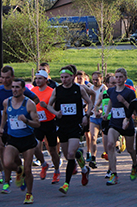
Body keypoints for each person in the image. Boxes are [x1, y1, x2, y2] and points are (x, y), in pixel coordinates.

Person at [44, 65, 93, 195]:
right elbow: (49, 106)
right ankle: (84, 169)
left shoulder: (79, 89)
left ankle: (66, 184)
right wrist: (56, 112)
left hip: (75, 125)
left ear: (72, 77)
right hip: (62, 125)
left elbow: (90, 102)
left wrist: (86, 116)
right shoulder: (57, 90)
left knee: (70, 154)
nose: (64, 80)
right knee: (68, 155)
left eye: (66, 77)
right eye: (61, 77)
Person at [0, 79, 40, 204]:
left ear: (23, 89)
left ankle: (29, 194)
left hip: (27, 140)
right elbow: (4, 115)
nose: (14, 89)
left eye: (17, 87)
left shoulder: (29, 104)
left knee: (28, 169)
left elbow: (37, 124)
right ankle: (18, 170)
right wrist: (1, 128)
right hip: (13, 138)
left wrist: (26, 121)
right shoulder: (7, 102)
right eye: (13, 87)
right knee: (7, 163)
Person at [103, 68, 137, 185]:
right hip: (114, 123)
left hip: (127, 123)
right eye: (116, 77)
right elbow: (111, 102)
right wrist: (107, 113)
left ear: (125, 79)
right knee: (110, 145)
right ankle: (114, 173)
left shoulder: (129, 93)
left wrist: (124, 101)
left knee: (130, 149)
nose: (118, 79)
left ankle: (135, 163)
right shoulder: (111, 91)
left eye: (120, 77)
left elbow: (133, 110)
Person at [31, 70, 61, 184]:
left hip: (49, 122)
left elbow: (55, 107)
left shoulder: (51, 91)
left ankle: (57, 171)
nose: (37, 80)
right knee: (34, 146)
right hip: (37, 122)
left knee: (53, 150)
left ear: (46, 80)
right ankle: (44, 164)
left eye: (40, 78)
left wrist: (46, 106)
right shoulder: (33, 91)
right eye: (36, 78)